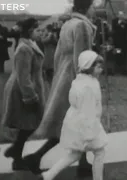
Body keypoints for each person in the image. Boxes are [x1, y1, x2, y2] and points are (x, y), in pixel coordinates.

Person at [23, 0, 97, 177]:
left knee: (73, 124)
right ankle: (38, 156)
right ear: (86, 7)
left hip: (64, 77)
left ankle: (83, 163)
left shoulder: (68, 24)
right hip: (74, 80)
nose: (94, 9)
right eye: (92, 5)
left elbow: (58, 54)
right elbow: (82, 59)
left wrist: (58, 76)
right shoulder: (82, 26)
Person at [38, 50, 108, 180]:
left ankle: (47, 175)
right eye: (98, 67)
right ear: (89, 67)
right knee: (99, 152)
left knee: (74, 154)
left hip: (76, 123)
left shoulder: (81, 80)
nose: (101, 69)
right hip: (87, 126)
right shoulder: (88, 86)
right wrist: (89, 133)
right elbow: (88, 111)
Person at [1, 18, 45, 171]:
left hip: (28, 86)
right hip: (22, 90)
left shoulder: (30, 45)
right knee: (28, 123)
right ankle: (17, 156)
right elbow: (23, 76)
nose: (41, 33)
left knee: (30, 124)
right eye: (38, 30)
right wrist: (30, 96)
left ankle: (16, 152)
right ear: (30, 31)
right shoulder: (24, 49)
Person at [41, 24, 58, 92]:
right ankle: (50, 85)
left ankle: (51, 86)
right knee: (48, 71)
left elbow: (55, 42)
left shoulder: (52, 35)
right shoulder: (49, 35)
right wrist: (49, 35)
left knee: (50, 71)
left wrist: (50, 36)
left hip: (51, 55)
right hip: (48, 55)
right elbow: (44, 41)